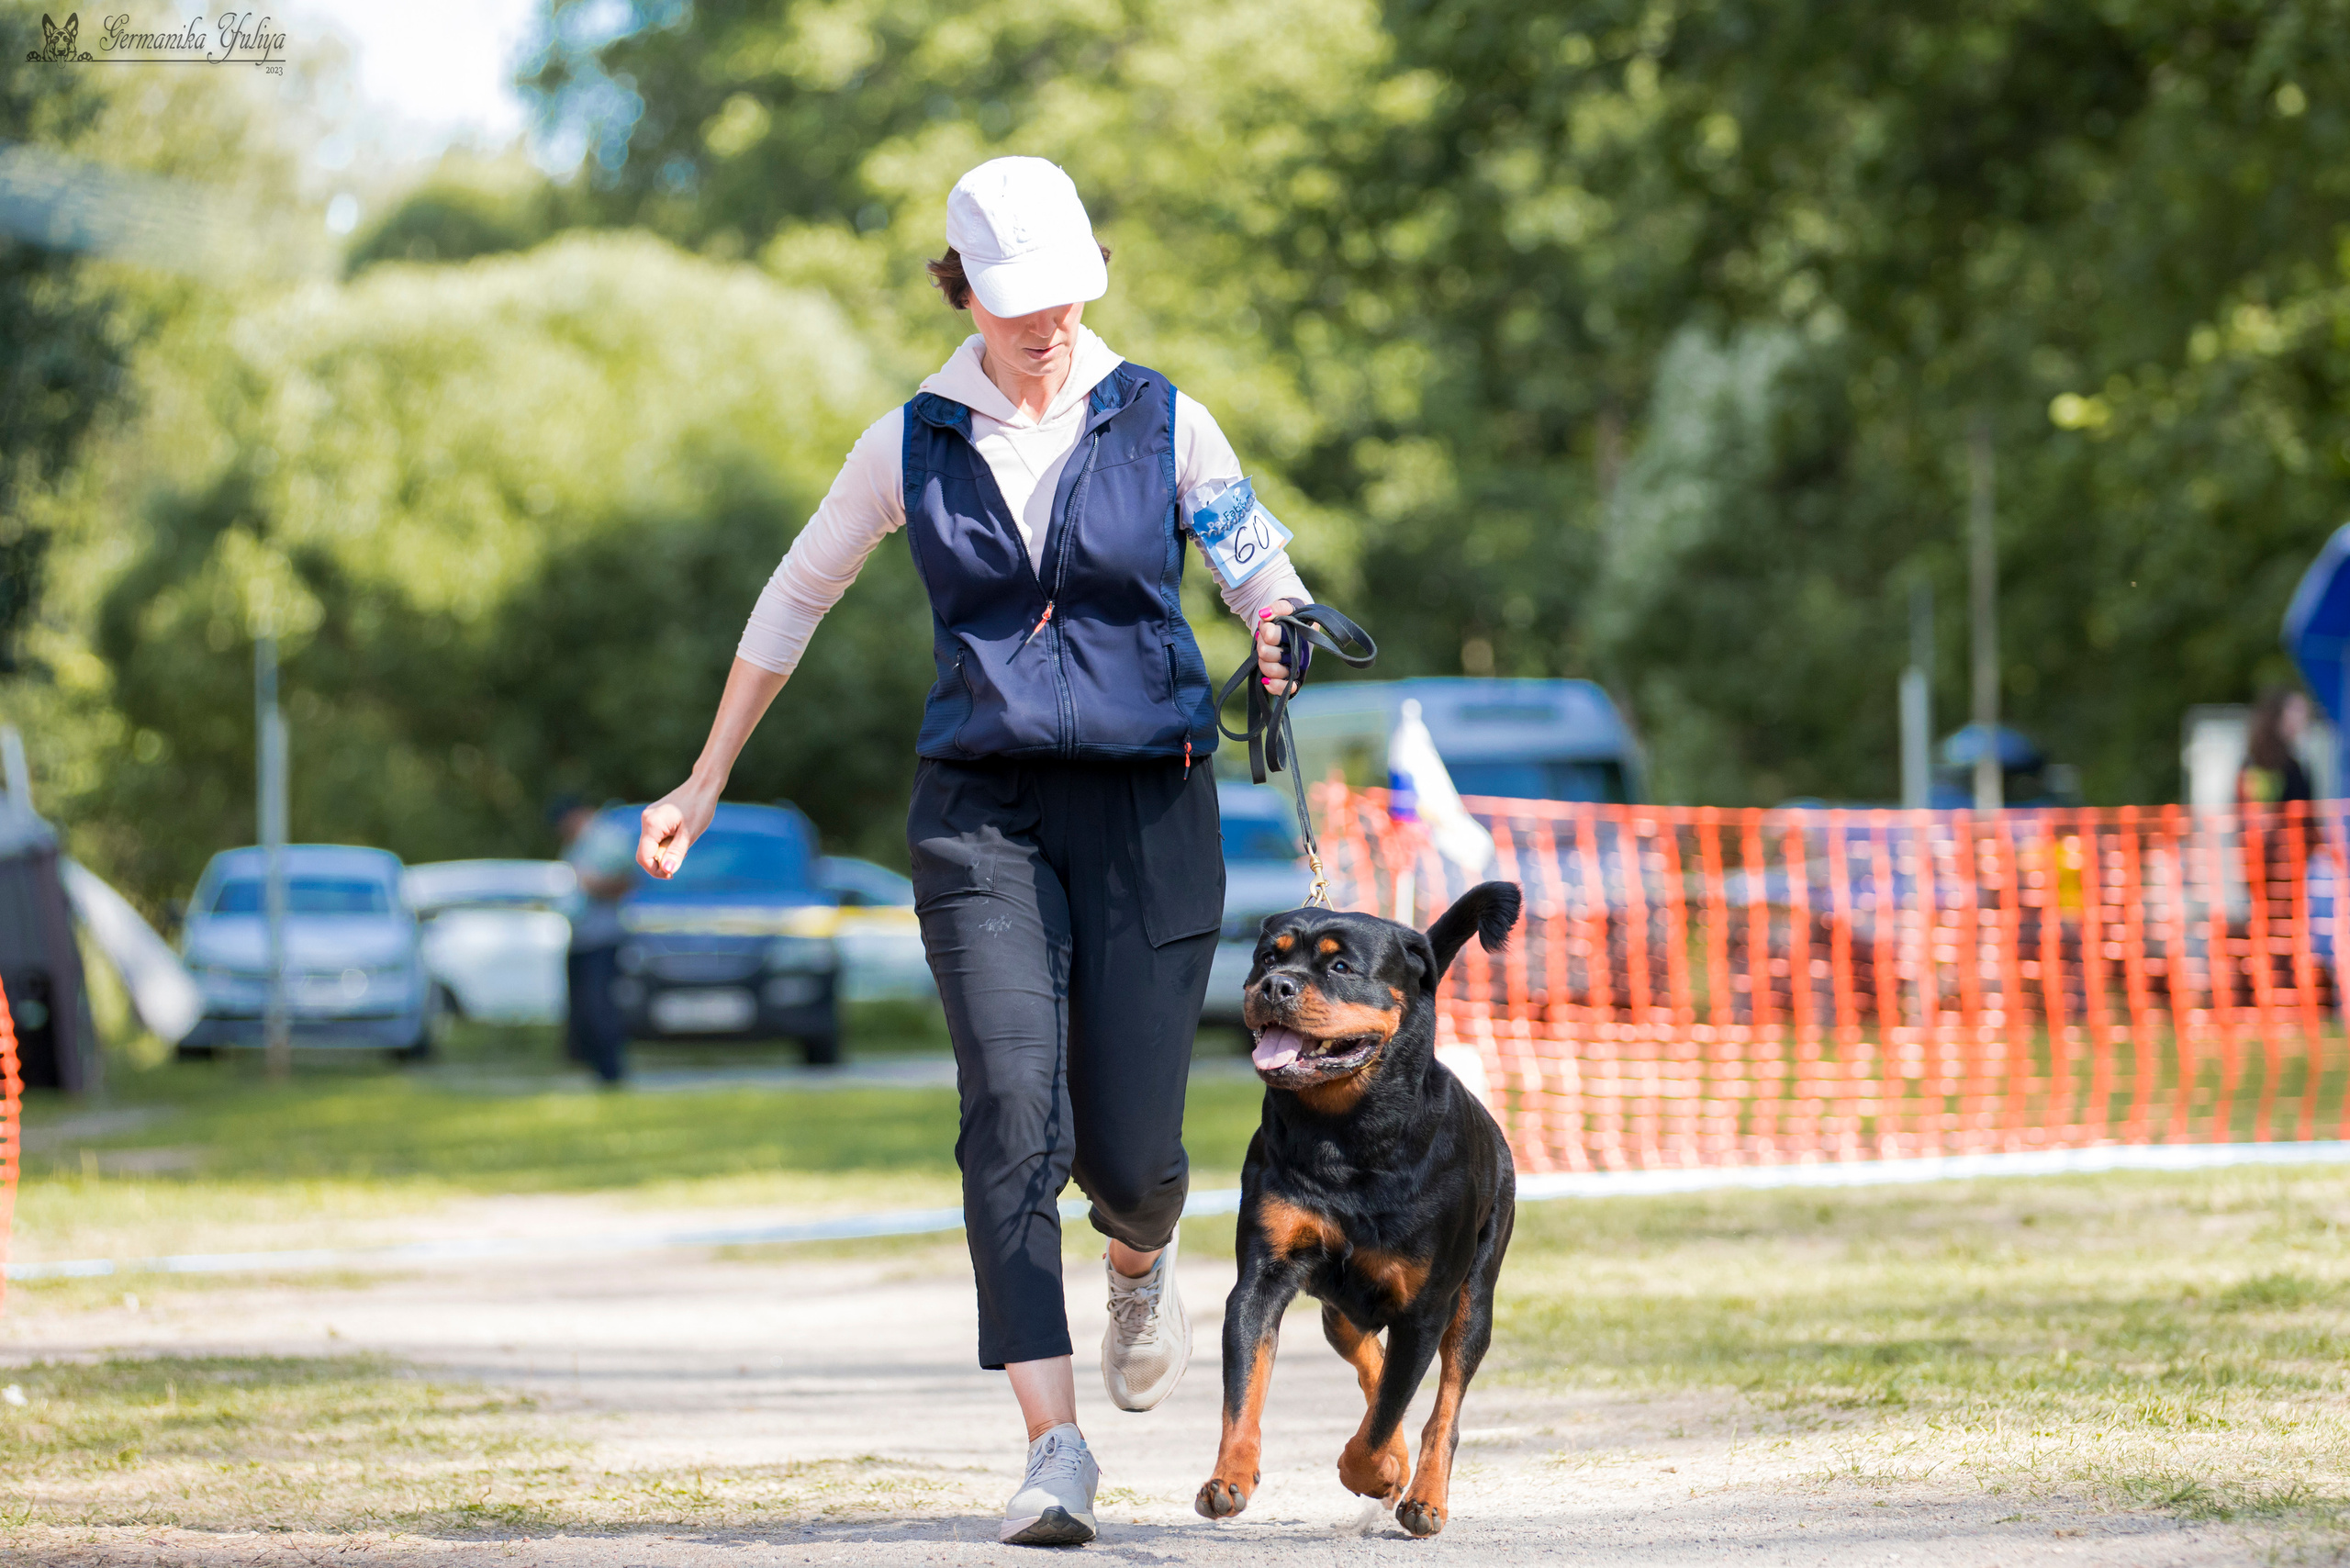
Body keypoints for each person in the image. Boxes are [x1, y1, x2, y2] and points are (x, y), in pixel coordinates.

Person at [633, 156, 1309, 1546]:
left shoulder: (1167, 420)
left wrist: (1277, 625)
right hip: (980, 814)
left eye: (1065, 294)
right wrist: (704, 779)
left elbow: (1258, 566)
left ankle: (1139, 1257)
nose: (1046, 322)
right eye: (1017, 300)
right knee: (1009, 1111)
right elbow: (794, 597)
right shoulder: (910, 442)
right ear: (964, 293)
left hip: (1148, 807)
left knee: (1135, 1156)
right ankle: (1053, 1447)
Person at [554, 796, 639, 1086]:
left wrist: (595, 884)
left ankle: (611, 1072)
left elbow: (628, 881)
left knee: (599, 1005)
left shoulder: (607, 839)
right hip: (580, 937)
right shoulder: (577, 844)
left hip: (602, 938)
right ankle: (593, 1067)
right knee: (582, 1008)